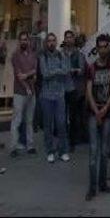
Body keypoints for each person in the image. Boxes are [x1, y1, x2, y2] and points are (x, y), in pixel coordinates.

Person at [85, 34, 110, 201]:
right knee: (93, 151)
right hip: (93, 113)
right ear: (96, 48)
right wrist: (96, 111)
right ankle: (92, 187)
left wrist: (105, 109)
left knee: (104, 151)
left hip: (107, 113)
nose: (103, 49)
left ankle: (103, 183)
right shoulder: (91, 68)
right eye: (100, 46)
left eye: (105, 46)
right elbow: (88, 91)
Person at [39, 33, 71, 163]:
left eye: (53, 40)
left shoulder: (61, 55)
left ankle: (63, 151)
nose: (51, 43)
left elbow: (66, 70)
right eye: (49, 41)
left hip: (59, 96)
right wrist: (58, 71)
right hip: (46, 96)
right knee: (48, 125)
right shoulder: (43, 57)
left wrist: (55, 71)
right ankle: (50, 151)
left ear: (56, 42)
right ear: (46, 43)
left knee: (62, 124)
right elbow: (44, 74)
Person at [10, 31, 38, 157]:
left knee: (29, 120)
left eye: (25, 39)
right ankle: (13, 147)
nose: (23, 41)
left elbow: (35, 71)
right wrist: (27, 85)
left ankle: (30, 145)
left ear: (28, 41)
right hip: (20, 93)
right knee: (17, 120)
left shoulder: (33, 55)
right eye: (21, 39)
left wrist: (28, 75)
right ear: (19, 41)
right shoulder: (15, 55)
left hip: (32, 92)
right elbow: (18, 75)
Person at [62, 30, 86, 151]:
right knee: (62, 116)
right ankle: (63, 140)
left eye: (71, 37)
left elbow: (82, 70)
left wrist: (73, 70)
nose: (69, 39)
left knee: (72, 116)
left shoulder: (79, 54)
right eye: (67, 37)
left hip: (74, 88)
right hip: (62, 88)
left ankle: (72, 142)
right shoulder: (61, 54)